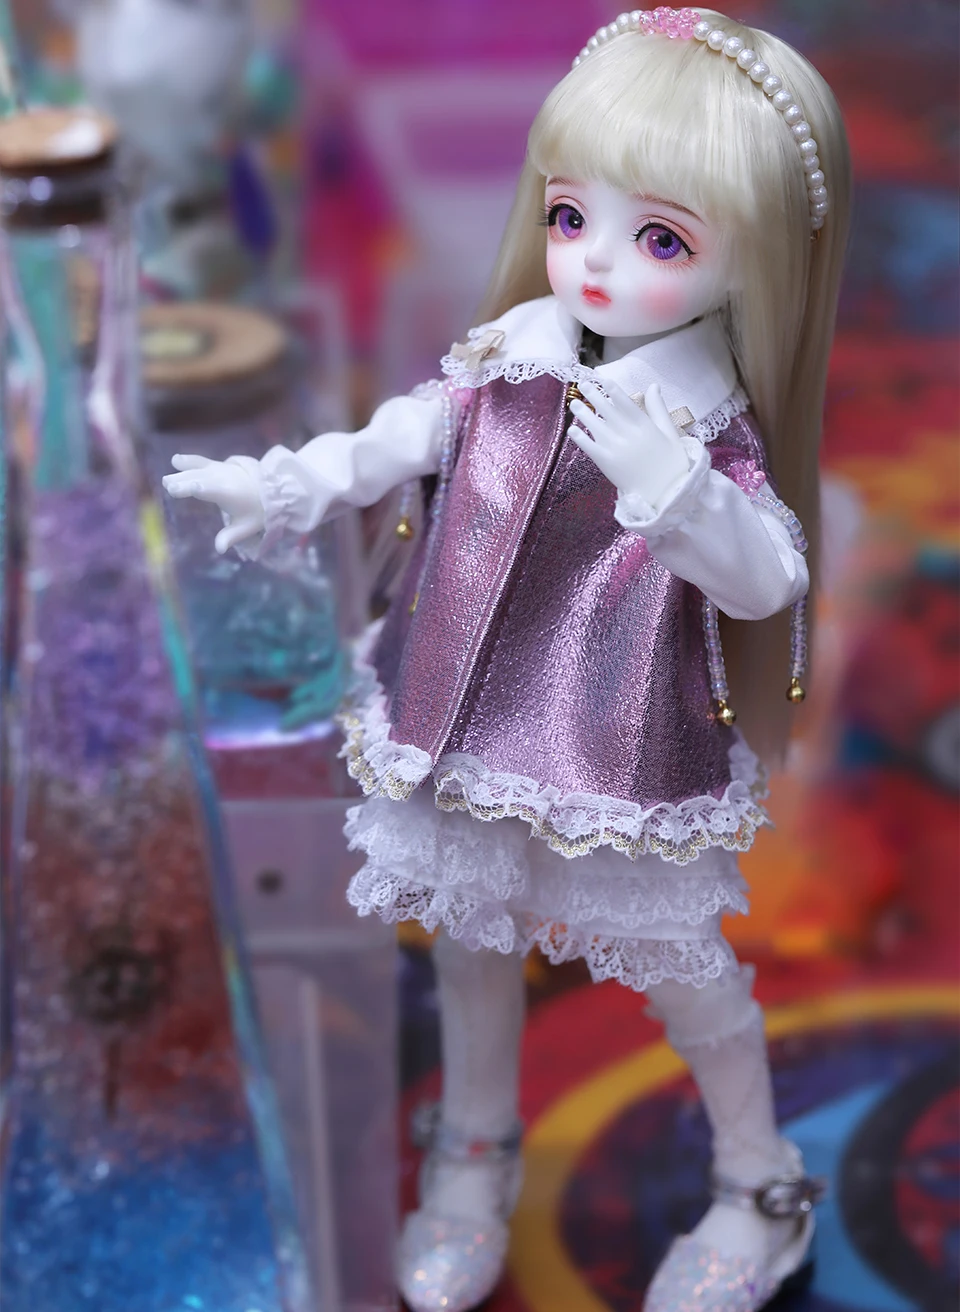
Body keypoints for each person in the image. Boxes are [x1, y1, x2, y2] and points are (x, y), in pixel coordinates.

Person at [164, 9, 850, 1309]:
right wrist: (292, 481)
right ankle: (472, 1151)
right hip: (468, 703)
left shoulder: (702, 422)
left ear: (751, 261)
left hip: (617, 733)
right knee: (470, 941)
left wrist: (677, 494)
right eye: (569, 214)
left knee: (684, 969)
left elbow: (769, 573)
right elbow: (406, 435)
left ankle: (760, 1184)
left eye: (661, 239)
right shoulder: (514, 354)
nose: (593, 261)